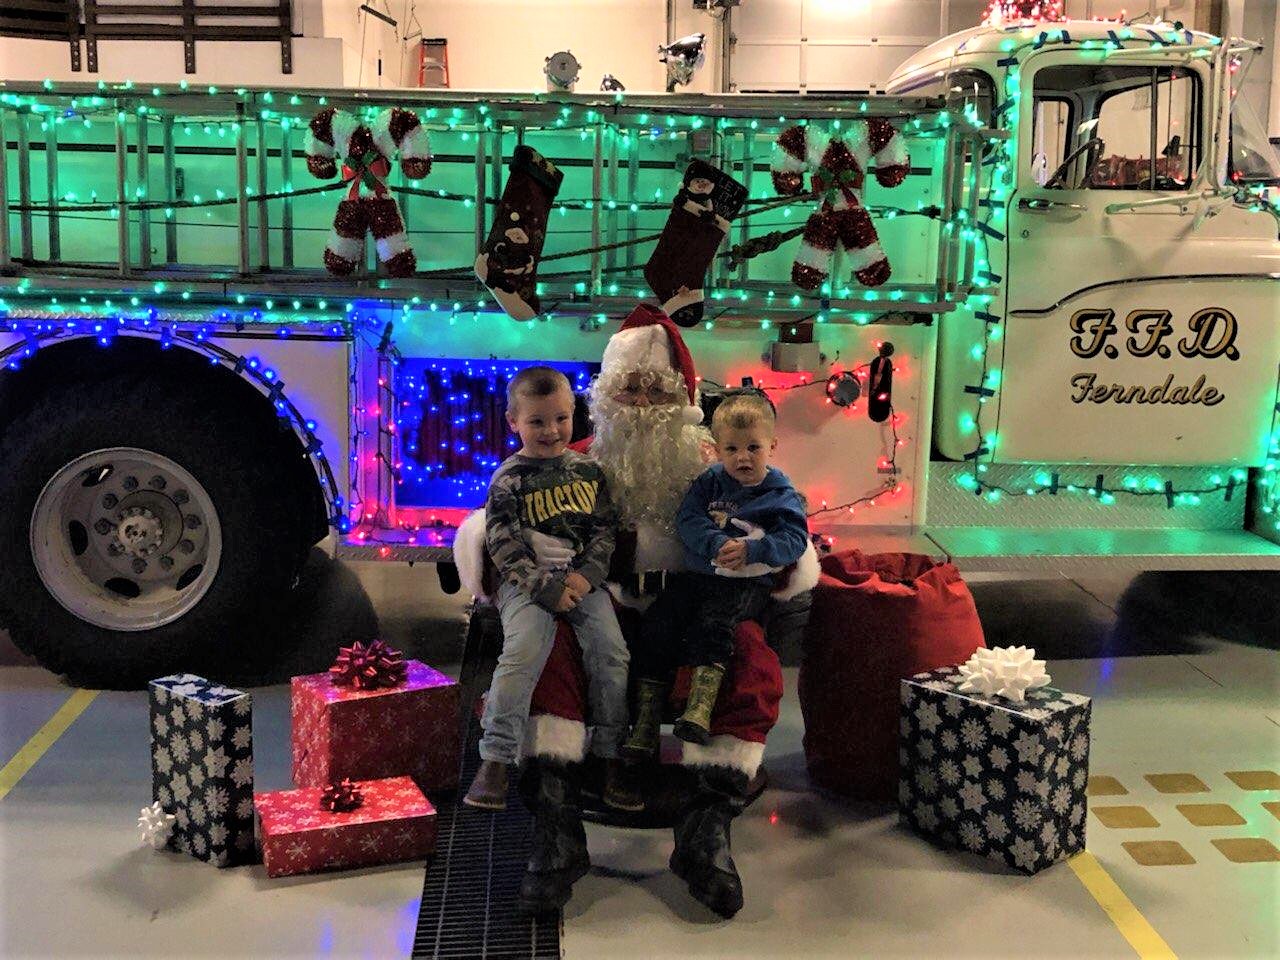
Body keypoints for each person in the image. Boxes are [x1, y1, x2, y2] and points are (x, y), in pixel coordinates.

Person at [454, 305, 819, 918]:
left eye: (659, 387)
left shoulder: (714, 461)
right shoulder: (577, 458)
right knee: (548, 663)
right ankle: (557, 833)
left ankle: (704, 836)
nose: (645, 400)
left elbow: (781, 520)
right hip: (600, 597)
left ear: (683, 396)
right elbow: (502, 517)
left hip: (700, 601)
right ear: (608, 395)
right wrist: (501, 561)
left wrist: (768, 553)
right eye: (631, 386)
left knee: (751, 662)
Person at [462, 366, 641, 814]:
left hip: (583, 583)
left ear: (573, 414)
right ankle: (497, 759)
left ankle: (608, 755)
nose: (551, 430)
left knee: (612, 652)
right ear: (513, 422)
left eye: (561, 418)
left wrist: (586, 578)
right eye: (537, 421)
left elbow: (604, 531)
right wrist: (544, 589)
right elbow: (501, 543)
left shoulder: (589, 472)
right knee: (523, 652)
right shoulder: (508, 478)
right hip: (526, 586)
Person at [623, 391, 809, 756]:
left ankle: (699, 709)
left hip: (746, 583)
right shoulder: (709, 482)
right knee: (660, 621)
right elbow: (688, 518)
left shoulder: (780, 493)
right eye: (732, 449)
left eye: (753, 448)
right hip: (701, 575)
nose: (743, 458)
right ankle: (645, 723)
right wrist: (713, 542)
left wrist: (754, 549)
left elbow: (794, 539)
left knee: (714, 623)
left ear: (771, 445)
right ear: (717, 449)